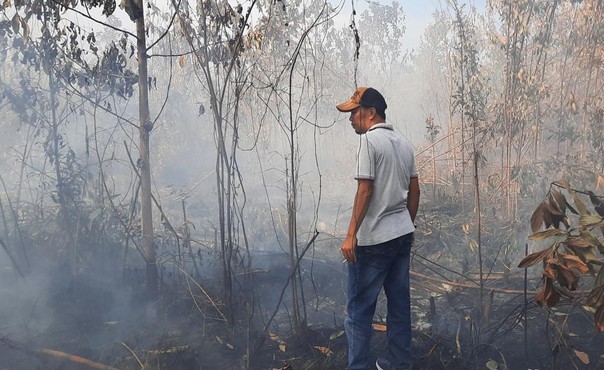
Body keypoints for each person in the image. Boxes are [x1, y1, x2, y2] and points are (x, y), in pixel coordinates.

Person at [336, 87, 420, 370]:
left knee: (359, 311)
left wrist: (350, 236)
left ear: (371, 113)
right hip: (400, 236)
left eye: (354, 113)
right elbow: (415, 190)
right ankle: (400, 363)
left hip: (373, 242)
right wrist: (408, 223)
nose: (350, 120)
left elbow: (364, 190)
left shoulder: (370, 142)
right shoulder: (404, 143)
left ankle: (357, 367)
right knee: (399, 305)